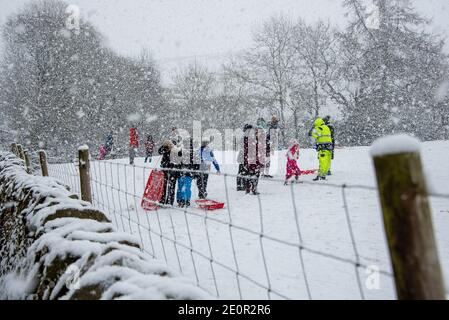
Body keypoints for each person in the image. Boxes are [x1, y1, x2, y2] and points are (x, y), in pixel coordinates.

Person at [241, 126, 265, 195]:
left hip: (254, 160)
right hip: (252, 160)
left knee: (253, 174)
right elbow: (248, 150)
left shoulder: (257, 140)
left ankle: (251, 188)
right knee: (252, 174)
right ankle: (251, 189)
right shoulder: (252, 140)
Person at [158, 139, 180, 206]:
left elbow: (176, 162)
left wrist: (169, 164)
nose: (167, 148)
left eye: (168, 146)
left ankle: (169, 202)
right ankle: (162, 200)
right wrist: (163, 147)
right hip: (165, 171)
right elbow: (159, 151)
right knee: (164, 186)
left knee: (171, 186)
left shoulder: (175, 151)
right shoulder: (164, 150)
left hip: (173, 172)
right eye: (165, 146)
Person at [177, 137, 196, 207]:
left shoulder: (184, 151)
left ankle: (182, 200)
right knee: (186, 187)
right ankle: (185, 200)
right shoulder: (190, 151)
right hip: (187, 172)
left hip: (183, 171)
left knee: (182, 186)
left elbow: (178, 156)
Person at [237, 124, 253, 191]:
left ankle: (240, 185)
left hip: (244, 156)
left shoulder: (246, 136)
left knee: (242, 171)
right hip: (244, 156)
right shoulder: (246, 137)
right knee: (243, 171)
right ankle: (242, 185)